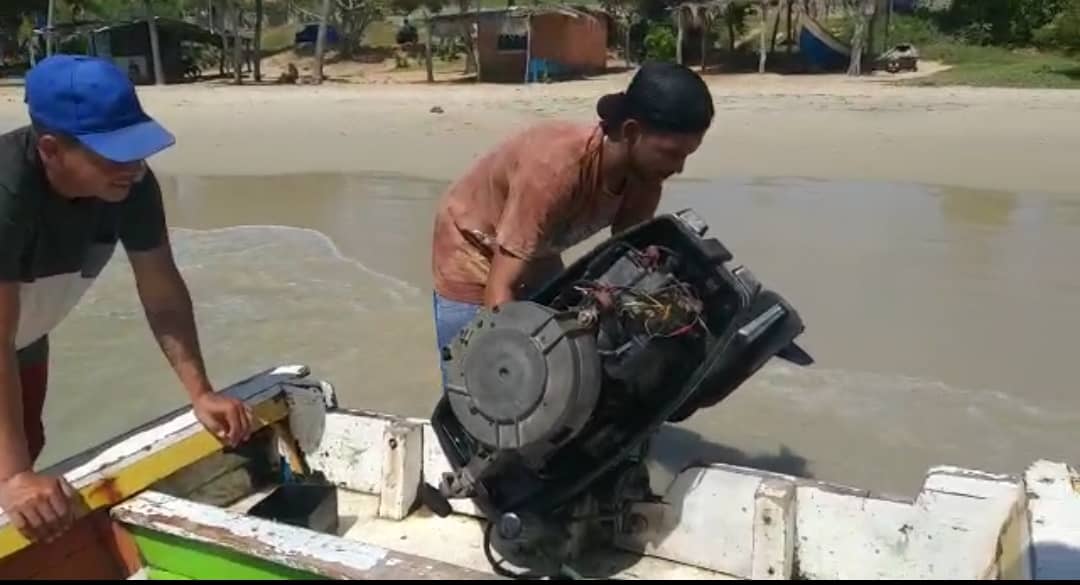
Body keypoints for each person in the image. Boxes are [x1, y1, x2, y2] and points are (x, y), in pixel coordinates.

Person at [0, 55, 252, 543]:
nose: (134, 168)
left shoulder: (131, 184)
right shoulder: (7, 193)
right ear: (51, 149)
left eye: (136, 150)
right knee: (12, 477)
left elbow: (162, 292)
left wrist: (201, 392)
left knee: (24, 453)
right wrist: (12, 478)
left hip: (24, 339)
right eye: (114, 154)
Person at [430, 62, 715, 353]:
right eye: (671, 154)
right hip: (471, 246)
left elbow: (628, 257)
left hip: (537, 248)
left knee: (565, 351)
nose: (678, 168)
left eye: (686, 156)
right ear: (631, 131)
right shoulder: (553, 170)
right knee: (483, 374)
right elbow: (499, 290)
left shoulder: (645, 176)